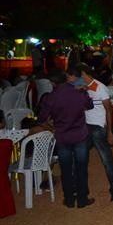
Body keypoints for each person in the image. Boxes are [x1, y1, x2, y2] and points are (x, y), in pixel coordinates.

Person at [38, 68, 95, 208]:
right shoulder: (78, 91)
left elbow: (42, 119)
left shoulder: (50, 97)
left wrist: (52, 128)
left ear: (52, 82)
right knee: (81, 168)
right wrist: (84, 92)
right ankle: (82, 199)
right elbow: (90, 105)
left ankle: (69, 199)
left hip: (62, 136)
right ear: (65, 78)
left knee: (66, 169)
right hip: (80, 135)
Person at [70, 63, 113, 202]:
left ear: (83, 74)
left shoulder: (100, 87)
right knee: (79, 159)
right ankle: (81, 192)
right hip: (86, 127)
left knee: (107, 160)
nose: (75, 79)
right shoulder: (81, 87)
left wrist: (110, 132)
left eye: (77, 76)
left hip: (98, 127)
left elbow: (109, 110)